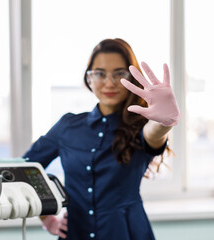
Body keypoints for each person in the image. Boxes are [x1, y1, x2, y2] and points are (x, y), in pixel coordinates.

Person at [22, 38, 180, 240]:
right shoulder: (67, 126)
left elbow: (154, 134)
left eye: (119, 74)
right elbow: (25, 169)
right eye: (100, 73)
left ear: (131, 79)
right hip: (75, 233)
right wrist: (47, 218)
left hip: (127, 232)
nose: (109, 83)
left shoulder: (140, 125)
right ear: (89, 79)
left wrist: (164, 122)